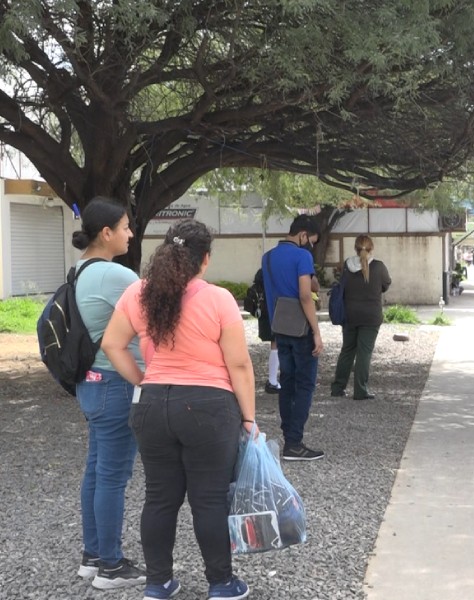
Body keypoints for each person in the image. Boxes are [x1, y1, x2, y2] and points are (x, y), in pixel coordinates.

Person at [102, 219, 255, 600]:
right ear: (204, 259)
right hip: (208, 406)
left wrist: (143, 380)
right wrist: (249, 418)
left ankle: (158, 583)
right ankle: (221, 583)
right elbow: (238, 365)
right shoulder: (217, 298)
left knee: (159, 497)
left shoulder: (139, 293)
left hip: (153, 404)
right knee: (208, 498)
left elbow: (112, 344)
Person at [72, 197, 146, 590]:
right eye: (125, 228)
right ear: (107, 233)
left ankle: (93, 556)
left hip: (91, 383)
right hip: (116, 383)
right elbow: (163, 307)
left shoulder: (79, 269)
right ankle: (111, 568)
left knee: (97, 471)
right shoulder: (117, 276)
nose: (130, 234)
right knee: (113, 476)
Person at [261, 214, 324, 461]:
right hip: (301, 328)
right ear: (303, 235)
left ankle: (289, 436)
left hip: (280, 327)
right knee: (305, 384)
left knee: (287, 382)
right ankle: (295, 443)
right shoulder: (302, 256)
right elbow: (305, 295)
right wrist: (316, 332)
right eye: (312, 241)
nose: (311, 246)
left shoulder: (267, 258)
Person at [330, 235, 392, 400]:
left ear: (356, 248)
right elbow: (386, 284)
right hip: (371, 316)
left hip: (349, 315)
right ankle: (360, 390)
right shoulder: (379, 267)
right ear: (371, 248)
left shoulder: (346, 266)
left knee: (347, 350)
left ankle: (338, 387)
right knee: (364, 352)